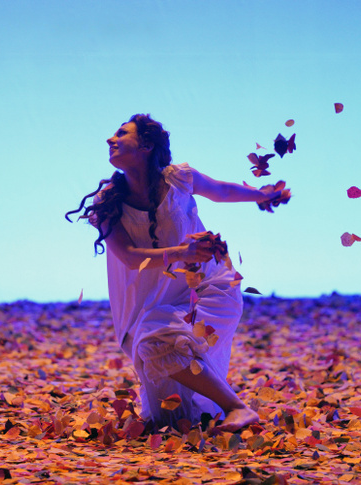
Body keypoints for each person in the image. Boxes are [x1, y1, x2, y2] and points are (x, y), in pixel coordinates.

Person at [66, 114, 286, 432]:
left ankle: (237, 408)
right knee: (170, 416)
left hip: (210, 287)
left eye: (120, 133)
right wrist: (181, 252)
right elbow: (129, 257)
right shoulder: (106, 203)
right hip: (150, 303)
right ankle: (226, 410)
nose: (110, 140)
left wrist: (264, 195)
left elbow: (222, 191)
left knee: (158, 340)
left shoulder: (179, 178)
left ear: (146, 145)